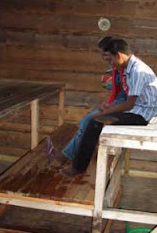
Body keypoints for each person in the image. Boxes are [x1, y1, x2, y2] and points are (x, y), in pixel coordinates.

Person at [61, 38, 157, 177]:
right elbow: (127, 99)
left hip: (145, 115)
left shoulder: (138, 71)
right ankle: (77, 161)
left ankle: (78, 167)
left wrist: (108, 111)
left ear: (119, 55)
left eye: (110, 60)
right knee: (96, 117)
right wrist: (110, 106)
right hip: (139, 109)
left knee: (95, 122)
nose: (111, 64)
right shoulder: (131, 67)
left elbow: (130, 104)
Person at [47, 36, 128, 165]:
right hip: (118, 102)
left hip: (126, 106)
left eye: (105, 54)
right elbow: (116, 92)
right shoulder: (115, 67)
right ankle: (76, 154)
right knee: (88, 119)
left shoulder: (128, 69)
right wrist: (108, 104)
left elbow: (130, 97)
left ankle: (66, 156)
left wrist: (111, 108)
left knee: (88, 120)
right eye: (103, 54)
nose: (104, 57)